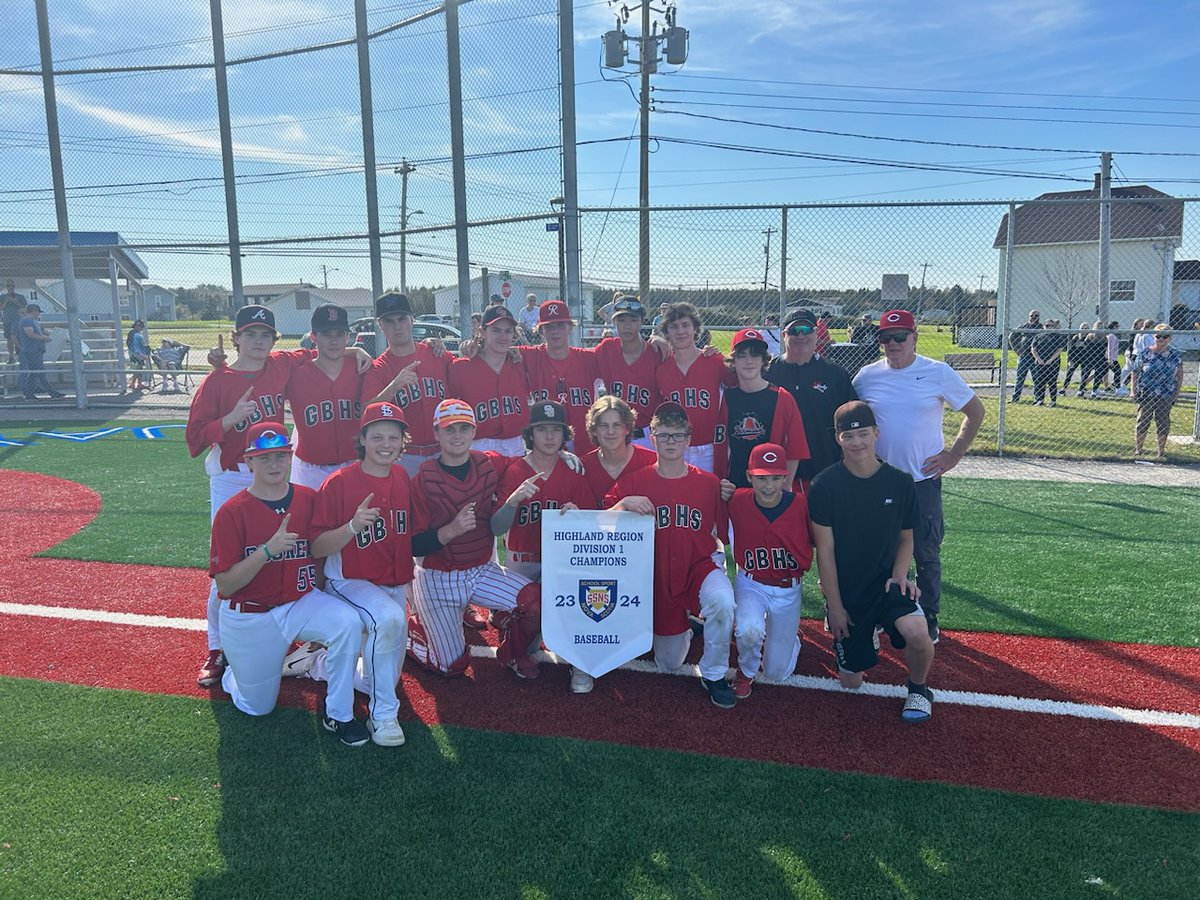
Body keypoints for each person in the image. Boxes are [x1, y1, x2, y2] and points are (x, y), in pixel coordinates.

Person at [209, 422, 369, 746]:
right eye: (264, 457)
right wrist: (267, 551)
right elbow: (226, 585)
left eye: (280, 456)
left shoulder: (309, 498)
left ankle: (338, 714)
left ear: (290, 457)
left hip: (300, 603)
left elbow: (320, 550)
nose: (273, 464)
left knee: (348, 622)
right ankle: (234, 672)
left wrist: (352, 526)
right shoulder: (231, 512)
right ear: (249, 461)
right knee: (257, 708)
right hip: (251, 614)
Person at [853, 308, 985, 644]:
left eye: (900, 336)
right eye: (886, 337)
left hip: (922, 480)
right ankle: (886, 610)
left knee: (925, 552)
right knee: (880, 551)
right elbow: (850, 420)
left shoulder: (937, 372)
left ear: (915, 337)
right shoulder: (867, 377)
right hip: (879, 481)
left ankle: (927, 614)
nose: (893, 343)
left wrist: (954, 454)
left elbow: (975, 411)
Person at [808, 401, 935, 723]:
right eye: (848, 436)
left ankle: (919, 689)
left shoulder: (900, 481)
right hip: (850, 591)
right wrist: (835, 607)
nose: (857, 442)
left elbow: (906, 538)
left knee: (918, 636)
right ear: (838, 439)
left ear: (876, 433)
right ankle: (864, 633)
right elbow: (825, 551)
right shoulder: (824, 485)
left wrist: (900, 575)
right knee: (851, 682)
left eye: (863, 434)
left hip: (888, 582)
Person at [605, 402, 738, 709]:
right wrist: (622, 503)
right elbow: (599, 523)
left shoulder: (709, 484)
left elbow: (726, 534)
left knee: (722, 602)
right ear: (652, 438)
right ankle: (689, 625)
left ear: (688, 439)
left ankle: (714, 674)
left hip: (697, 567)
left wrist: (732, 498)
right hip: (652, 577)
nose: (671, 442)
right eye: (664, 435)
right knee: (668, 663)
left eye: (678, 435)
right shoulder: (634, 481)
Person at [406, 398, 543, 679]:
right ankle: (414, 632)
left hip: (481, 570)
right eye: (449, 429)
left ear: (474, 431)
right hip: (438, 578)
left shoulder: (489, 463)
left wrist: (562, 456)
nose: (457, 435)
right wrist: (451, 530)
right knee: (452, 667)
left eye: (464, 428)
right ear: (436, 433)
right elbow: (413, 545)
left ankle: (512, 653)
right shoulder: (422, 479)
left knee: (535, 602)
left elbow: (530, 462)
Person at [307, 402, 414, 747]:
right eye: (377, 436)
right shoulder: (339, 483)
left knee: (379, 678)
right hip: (350, 580)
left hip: (393, 583)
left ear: (402, 442)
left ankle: (319, 664)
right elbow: (317, 547)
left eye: (393, 437)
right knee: (389, 620)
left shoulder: (402, 477)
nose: (386, 444)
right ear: (363, 439)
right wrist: (352, 526)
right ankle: (383, 717)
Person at [492, 401, 595, 692]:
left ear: (564, 434)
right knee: (530, 627)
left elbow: (592, 526)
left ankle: (579, 662)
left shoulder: (573, 471)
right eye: (541, 429)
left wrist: (579, 516)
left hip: (561, 562)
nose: (549, 436)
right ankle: (514, 644)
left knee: (582, 596)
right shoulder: (515, 471)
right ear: (530, 434)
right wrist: (512, 501)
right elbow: (496, 528)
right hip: (522, 561)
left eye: (555, 430)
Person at [728, 443, 813, 700]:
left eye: (776, 478)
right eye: (761, 478)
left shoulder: (801, 505)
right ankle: (746, 671)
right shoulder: (736, 499)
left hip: (788, 588)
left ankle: (791, 638)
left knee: (776, 672)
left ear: (785, 477)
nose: (769, 485)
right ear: (749, 476)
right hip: (751, 583)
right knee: (748, 630)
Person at [764, 309, 857, 490]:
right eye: (794, 331)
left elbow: (850, 421)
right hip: (775, 473)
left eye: (806, 330)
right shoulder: (768, 372)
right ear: (783, 335)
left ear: (816, 333)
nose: (801, 336)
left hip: (824, 468)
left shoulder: (835, 374)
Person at [362, 292, 450, 475]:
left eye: (402, 319)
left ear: (412, 319)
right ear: (380, 325)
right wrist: (393, 386)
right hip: (405, 456)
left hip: (445, 450)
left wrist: (473, 347)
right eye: (389, 321)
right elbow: (365, 410)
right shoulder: (378, 368)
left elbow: (466, 371)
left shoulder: (436, 353)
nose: (397, 326)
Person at [285, 305, 364, 490]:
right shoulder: (295, 374)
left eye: (339, 334)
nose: (334, 341)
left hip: (354, 463)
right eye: (326, 334)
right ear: (313, 337)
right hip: (309, 469)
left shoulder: (362, 368)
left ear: (348, 337)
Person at [720, 328, 809, 489]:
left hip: (769, 489)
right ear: (733, 361)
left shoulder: (782, 397)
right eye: (742, 356)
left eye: (755, 355)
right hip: (733, 487)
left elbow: (794, 449)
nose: (749, 361)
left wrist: (784, 488)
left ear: (763, 360)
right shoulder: (725, 397)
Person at [521, 300, 603, 455]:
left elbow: (621, 357)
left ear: (570, 327)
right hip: (548, 445)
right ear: (540, 330)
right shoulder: (531, 356)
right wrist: (477, 347)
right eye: (549, 327)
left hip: (586, 442)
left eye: (560, 325)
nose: (555, 331)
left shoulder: (589, 358)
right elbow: (499, 351)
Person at [656, 302, 729, 473]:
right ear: (666, 332)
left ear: (695, 328)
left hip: (709, 447)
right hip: (675, 447)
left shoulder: (715, 361)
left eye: (685, 325)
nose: (680, 331)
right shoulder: (662, 370)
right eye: (674, 326)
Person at [448, 305, 529, 457]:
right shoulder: (461, 367)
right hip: (479, 444)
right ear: (483, 332)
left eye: (508, 331)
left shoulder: (520, 363)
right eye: (496, 330)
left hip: (517, 443)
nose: (503, 336)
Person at [591, 295, 664, 449]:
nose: (627, 326)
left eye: (633, 320)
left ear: (642, 321)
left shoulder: (657, 352)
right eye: (621, 320)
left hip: (647, 436)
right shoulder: (606, 349)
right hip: (614, 435)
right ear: (614, 322)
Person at [580, 395, 657, 507]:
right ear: (594, 430)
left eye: (617, 425)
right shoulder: (582, 468)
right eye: (604, 425)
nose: (610, 431)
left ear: (627, 429)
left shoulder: (652, 462)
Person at [1131, 325, 1184, 461]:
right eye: (1158, 336)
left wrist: (1177, 393)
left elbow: (1179, 375)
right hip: (1147, 392)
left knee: (1163, 421)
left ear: (1169, 338)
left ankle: (1161, 451)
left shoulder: (1175, 354)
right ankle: (1138, 449)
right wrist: (1133, 390)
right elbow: (1135, 372)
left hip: (1166, 393)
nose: (1161, 339)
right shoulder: (1145, 353)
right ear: (1154, 337)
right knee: (1143, 420)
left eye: (1164, 336)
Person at [17, 303, 64, 401]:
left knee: (36, 373)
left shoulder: (33, 321)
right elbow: (31, 334)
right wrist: (44, 338)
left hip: (37, 350)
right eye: (38, 312)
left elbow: (43, 331)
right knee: (39, 372)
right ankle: (52, 393)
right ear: (33, 311)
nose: (39, 314)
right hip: (32, 350)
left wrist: (57, 335)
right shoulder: (26, 321)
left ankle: (30, 394)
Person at [1030, 318, 1065, 407]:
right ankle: (1039, 399)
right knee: (1039, 381)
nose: (1049, 327)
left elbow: (1060, 349)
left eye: (1051, 326)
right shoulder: (1038, 336)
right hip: (1040, 362)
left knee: (1052, 381)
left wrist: (1051, 360)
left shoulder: (1057, 336)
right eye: (1047, 325)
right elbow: (1033, 348)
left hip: (1053, 363)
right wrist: (1038, 359)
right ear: (1043, 326)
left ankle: (1053, 401)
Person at [1009, 309, 1041, 402]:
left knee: (1037, 379)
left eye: (1036, 316)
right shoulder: (1023, 327)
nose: (1033, 317)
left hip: (1036, 358)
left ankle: (1038, 399)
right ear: (1028, 316)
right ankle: (1015, 398)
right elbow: (1011, 337)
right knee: (1019, 379)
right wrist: (1016, 350)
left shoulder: (1041, 327)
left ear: (1039, 317)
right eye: (1031, 315)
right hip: (1024, 357)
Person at [1061, 322, 1089, 393]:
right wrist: (1070, 359)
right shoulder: (1076, 337)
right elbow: (1071, 349)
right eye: (1082, 328)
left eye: (1086, 328)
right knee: (1070, 371)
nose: (1084, 330)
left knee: (1084, 373)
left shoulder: (1088, 338)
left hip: (1085, 358)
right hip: (1075, 358)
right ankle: (1064, 387)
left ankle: (1081, 388)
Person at [2, 278, 25, 366]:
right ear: (6, 287)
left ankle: (22, 354)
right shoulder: (2, 297)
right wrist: (7, 301)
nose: (10, 287)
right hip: (7, 320)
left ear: (14, 286)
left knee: (18, 337)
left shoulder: (20, 296)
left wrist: (15, 302)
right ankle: (11, 357)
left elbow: (24, 308)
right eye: (8, 286)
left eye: (12, 285)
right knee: (9, 339)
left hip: (18, 320)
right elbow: (1, 307)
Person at [126, 320, 152, 391]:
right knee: (138, 368)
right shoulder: (132, 334)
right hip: (135, 354)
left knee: (139, 368)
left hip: (140, 354)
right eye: (137, 326)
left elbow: (141, 345)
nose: (139, 328)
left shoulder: (139, 334)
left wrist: (145, 351)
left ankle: (137, 383)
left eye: (140, 326)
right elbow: (131, 345)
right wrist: (138, 353)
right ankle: (135, 383)